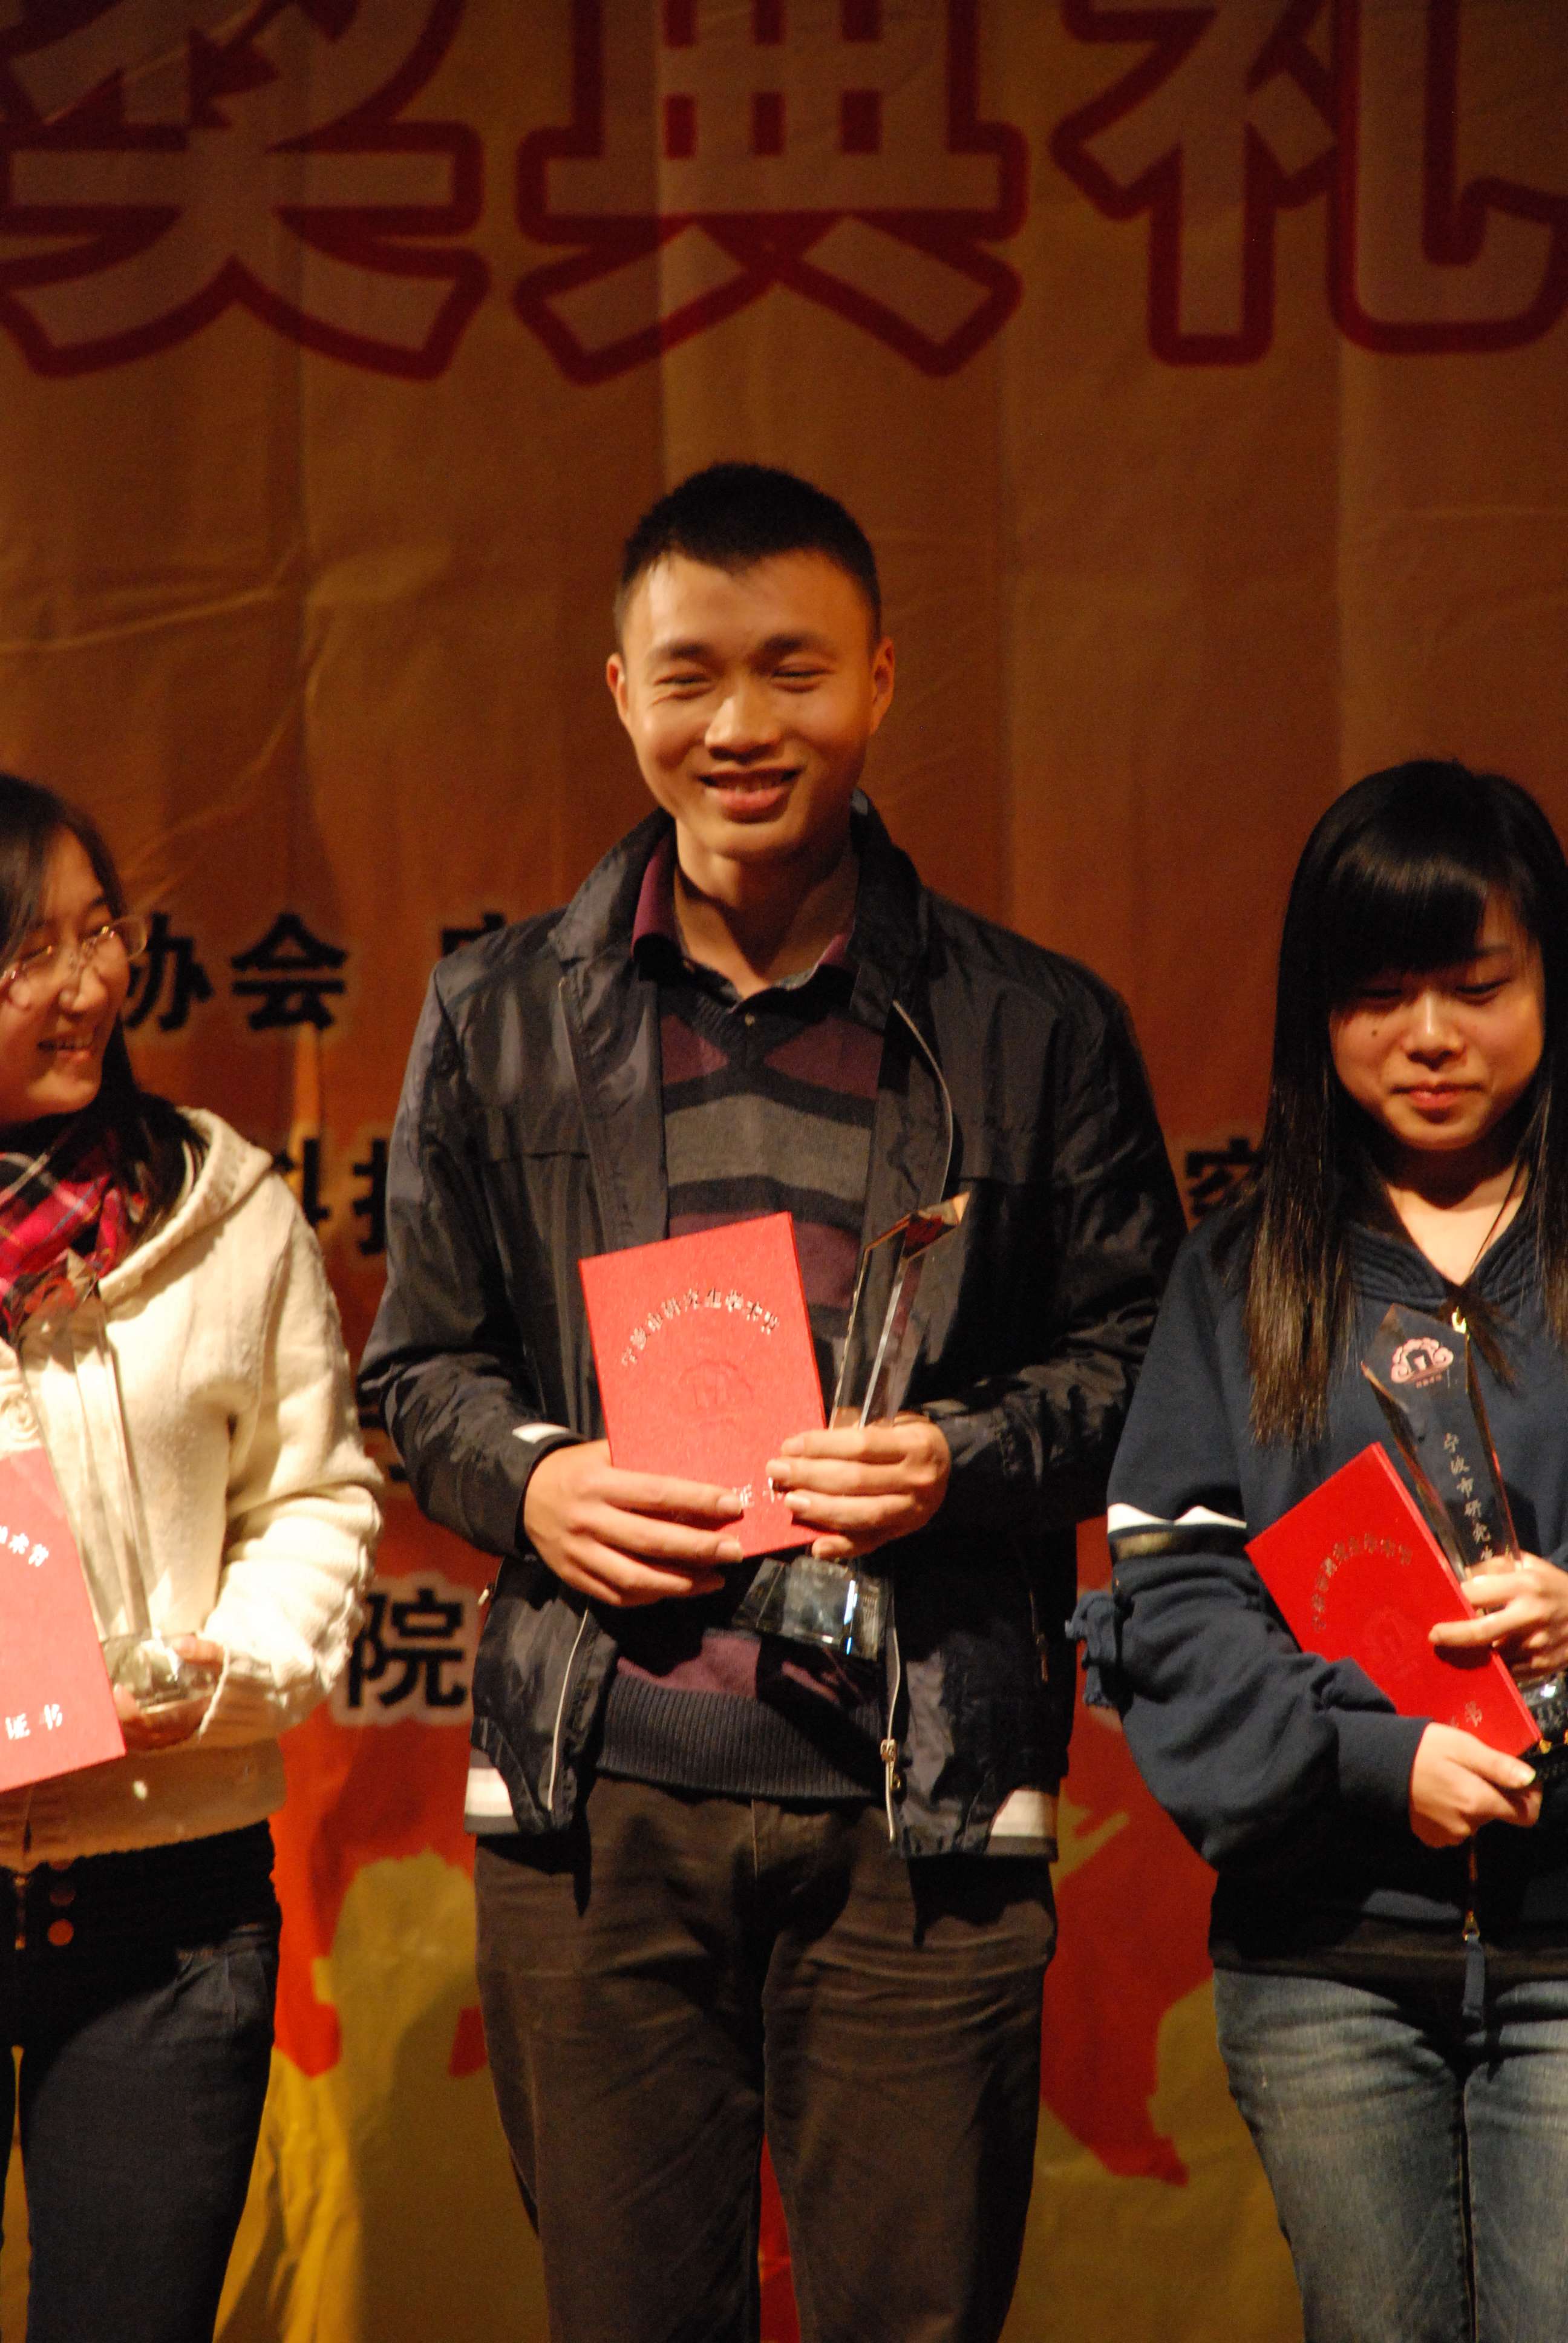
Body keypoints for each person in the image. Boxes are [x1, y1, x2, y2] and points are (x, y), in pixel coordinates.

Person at [360, 461, 1183, 2343]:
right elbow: (417, 1366)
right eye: (691, 675)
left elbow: (1142, 1362)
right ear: (619, 694)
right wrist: (535, 1482)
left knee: (915, 2316)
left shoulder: (1032, 1026)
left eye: (793, 670)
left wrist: (958, 1458)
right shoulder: (498, 1014)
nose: (740, 725)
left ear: (880, 680)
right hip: (598, 1794)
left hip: (921, 1801)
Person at [1077, 760, 1568, 2343]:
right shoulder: (1241, 1276)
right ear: (1316, 1015)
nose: (1430, 1036)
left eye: (1477, 988)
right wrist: (1373, 1759)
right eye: (1377, 997)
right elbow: (1174, 1604)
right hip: (1326, 1961)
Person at [0, 775, 379, 2343]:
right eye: (27, 952)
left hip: (167, 1902)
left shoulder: (221, 1208)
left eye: (99, 934)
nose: (87, 985)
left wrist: (234, 1666)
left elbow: (314, 1495)